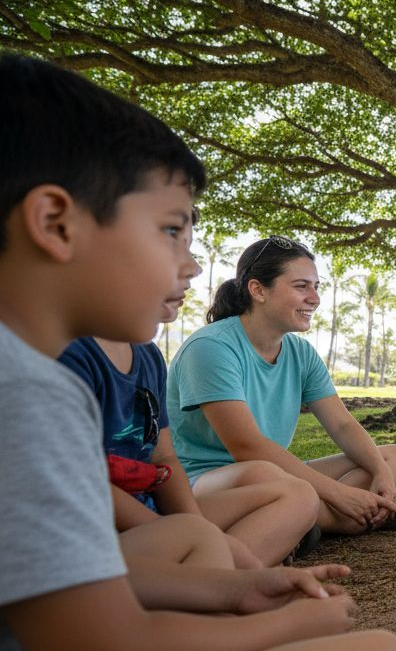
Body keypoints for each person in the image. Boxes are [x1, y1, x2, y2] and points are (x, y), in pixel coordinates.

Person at [0, 53, 396, 651]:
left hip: (76, 641)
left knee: (241, 527)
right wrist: (276, 625)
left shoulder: (33, 375)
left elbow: (75, 570)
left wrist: (234, 592)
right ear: (55, 222)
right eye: (171, 230)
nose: (191, 264)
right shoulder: (31, 391)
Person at [58, 210, 320, 567]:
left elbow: (163, 459)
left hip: (156, 514)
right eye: (172, 243)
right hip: (90, 541)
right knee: (264, 493)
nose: (194, 268)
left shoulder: (147, 356)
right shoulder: (66, 356)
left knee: (300, 495)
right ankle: (215, 580)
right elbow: (78, 484)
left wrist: (192, 529)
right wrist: (186, 538)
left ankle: (226, 571)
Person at [166, 236, 396, 538]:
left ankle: (312, 519)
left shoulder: (300, 352)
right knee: (266, 473)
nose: (315, 298)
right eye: (301, 286)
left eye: (316, 286)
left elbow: (341, 425)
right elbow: (247, 447)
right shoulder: (211, 347)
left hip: (278, 477)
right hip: (205, 482)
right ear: (258, 290)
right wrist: (338, 493)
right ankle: (335, 519)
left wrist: (380, 472)